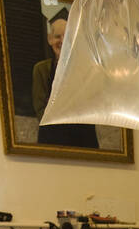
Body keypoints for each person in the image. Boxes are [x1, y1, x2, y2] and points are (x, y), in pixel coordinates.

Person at [33, 10, 99, 149]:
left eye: (67, 36)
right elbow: (40, 109)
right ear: (50, 39)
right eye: (57, 36)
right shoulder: (41, 70)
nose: (62, 41)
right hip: (52, 137)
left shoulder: (85, 70)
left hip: (82, 137)